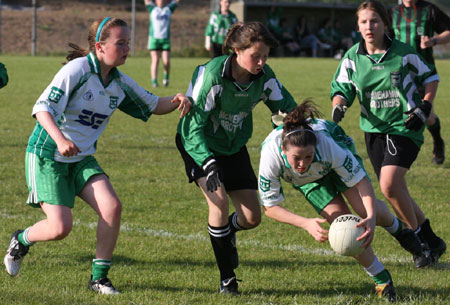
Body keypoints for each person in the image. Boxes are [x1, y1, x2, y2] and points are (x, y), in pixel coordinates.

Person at [3, 17, 191, 295]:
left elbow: (153, 105)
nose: (127, 48)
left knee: (112, 207)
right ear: (100, 47)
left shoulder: (119, 83)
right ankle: (20, 239)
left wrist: (179, 99)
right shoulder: (78, 70)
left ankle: (99, 279)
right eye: (121, 43)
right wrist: (61, 139)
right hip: (48, 153)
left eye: (128, 42)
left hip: (81, 158)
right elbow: (42, 108)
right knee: (59, 228)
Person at [176, 21, 297, 295]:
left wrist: (307, 125)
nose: (261, 62)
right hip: (199, 144)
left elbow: (288, 108)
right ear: (236, 50)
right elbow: (191, 126)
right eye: (256, 56)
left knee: (252, 217)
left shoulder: (264, 76)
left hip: (233, 146)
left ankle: (227, 233)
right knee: (218, 201)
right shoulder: (212, 76)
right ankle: (227, 280)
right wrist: (207, 162)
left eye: (265, 56)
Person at [258, 101, 414, 301]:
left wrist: (372, 218)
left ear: (315, 147)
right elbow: (270, 207)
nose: (303, 163)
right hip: (310, 182)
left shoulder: (326, 143)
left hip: (334, 164)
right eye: (296, 158)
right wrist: (306, 223)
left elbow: (361, 181)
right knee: (346, 225)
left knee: (365, 209)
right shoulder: (270, 155)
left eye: (308, 156)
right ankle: (382, 280)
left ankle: (400, 230)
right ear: (283, 150)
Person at [330, 0, 446, 268]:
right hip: (373, 131)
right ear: (357, 26)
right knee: (395, 191)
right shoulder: (352, 58)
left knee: (389, 185)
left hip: (405, 126)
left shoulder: (403, 53)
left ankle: (419, 246)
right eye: (363, 22)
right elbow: (341, 88)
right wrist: (339, 106)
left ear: (384, 24)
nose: (369, 27)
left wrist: (425, 105)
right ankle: (432, 241)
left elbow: (431, 77)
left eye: (374, 21)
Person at [392, 0, 450, 165]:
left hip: (424, 71)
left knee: (426, 114)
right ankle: (394, 153)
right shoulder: (393, 12)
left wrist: (434, 41)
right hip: (400, 72)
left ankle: (438, 141)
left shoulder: (429, 10)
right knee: (400, 112)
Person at [145, 0, 180, 87]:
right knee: (155, 60)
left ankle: (166, 79)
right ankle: (154, 82)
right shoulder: (152, 8)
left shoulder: (168, 9)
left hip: (165, 40)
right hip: (154, 39)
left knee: (166, 61)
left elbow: (176, 2)